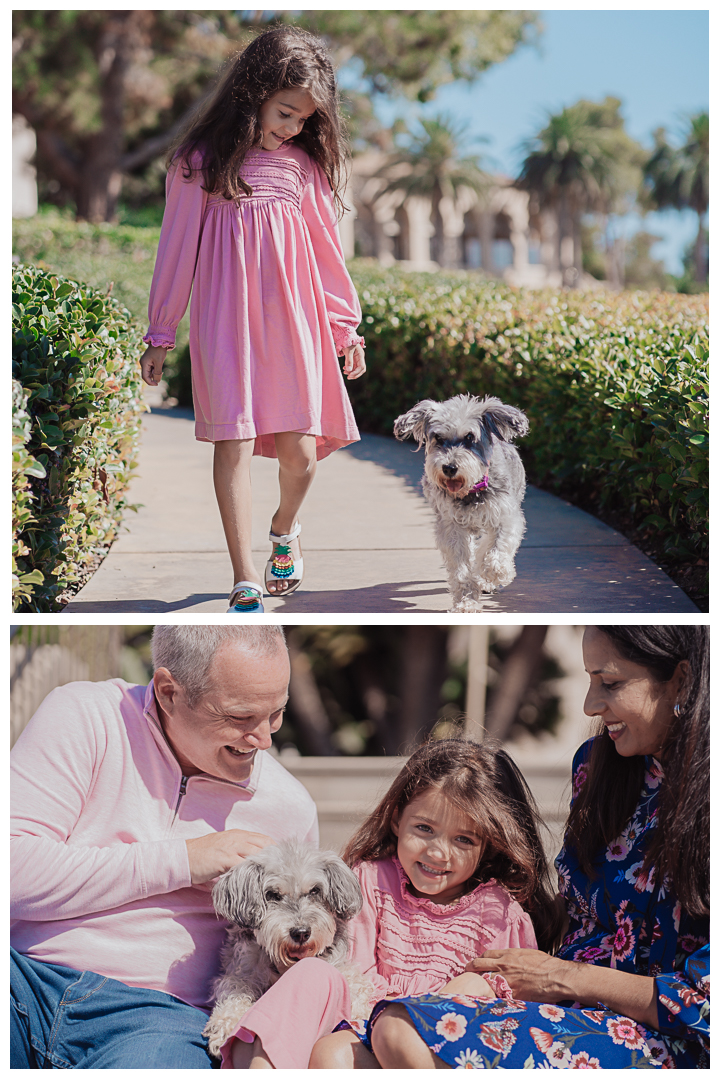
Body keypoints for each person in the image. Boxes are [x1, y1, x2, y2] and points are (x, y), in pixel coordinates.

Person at [363, 625, 710, 1069]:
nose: (591, 703)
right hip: (567, 1007)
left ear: (680, 679)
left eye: (612, 682)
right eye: (589, 679)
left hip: (672, 1041)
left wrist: (565, 977)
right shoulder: (597, 765)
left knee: (400, 1029)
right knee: (343, 1048)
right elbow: (577, 911)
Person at [10, 626, 318, 1069]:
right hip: (24, 977)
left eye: (276, 713)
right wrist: (184, 860)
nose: (265, 739)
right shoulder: (85, 715)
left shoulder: (291, 809)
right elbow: (12, 870)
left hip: (159, 1023)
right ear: (169, 692)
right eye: (240, 717)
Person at [139, 26, 366, 615]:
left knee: (302, 455)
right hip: (224, 324)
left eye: (303, 119)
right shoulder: (198, 163)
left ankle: (283, 529)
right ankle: (244, 576)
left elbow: (325, 253)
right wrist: (162, 332)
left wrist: (345, 328)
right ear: (254, 91)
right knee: (232, 441)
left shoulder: (301, 168)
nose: (293, 127)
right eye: (286, 112)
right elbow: (175, 250)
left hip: (295, 323)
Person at [219, 738, 563, 1069]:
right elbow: (352, 973)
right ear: (397, 818)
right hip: (366, 1033)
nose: (437, 852)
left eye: (463, 839)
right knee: (332, 1053)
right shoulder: (371, 881)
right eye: (425, 828)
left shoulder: (501, 914)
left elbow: (519, 997)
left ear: (489, 844)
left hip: (453, 1048)